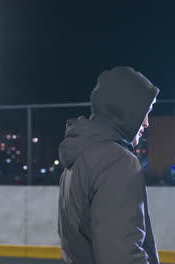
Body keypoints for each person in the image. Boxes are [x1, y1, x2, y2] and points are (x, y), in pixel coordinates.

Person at [58, 66, 159, 264]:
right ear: (127, 111)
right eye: (144, 113)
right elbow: (122, 256)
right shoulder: (117, 161)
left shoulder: (80, 155)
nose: (146, 123)